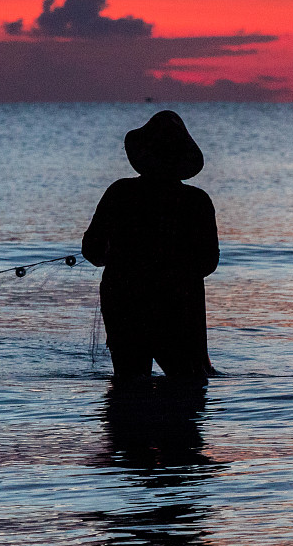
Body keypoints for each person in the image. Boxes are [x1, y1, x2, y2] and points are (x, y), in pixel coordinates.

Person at [82, 110, 219, 382]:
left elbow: (92, 251)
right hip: (179, 306)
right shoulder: (196, 201)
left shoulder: (120, 193)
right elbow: (208, 262)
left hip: (124, 302)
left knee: (128, 384)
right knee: (186, 390)